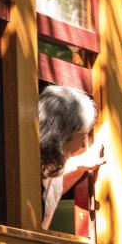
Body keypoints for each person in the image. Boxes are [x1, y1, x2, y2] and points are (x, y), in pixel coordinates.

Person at [37, 85, 103, 230]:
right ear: (68, 133)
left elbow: (56, 182)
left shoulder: (47, 166)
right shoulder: (33, 169)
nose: (84, 139)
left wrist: (80, 163)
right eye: (84, 133)